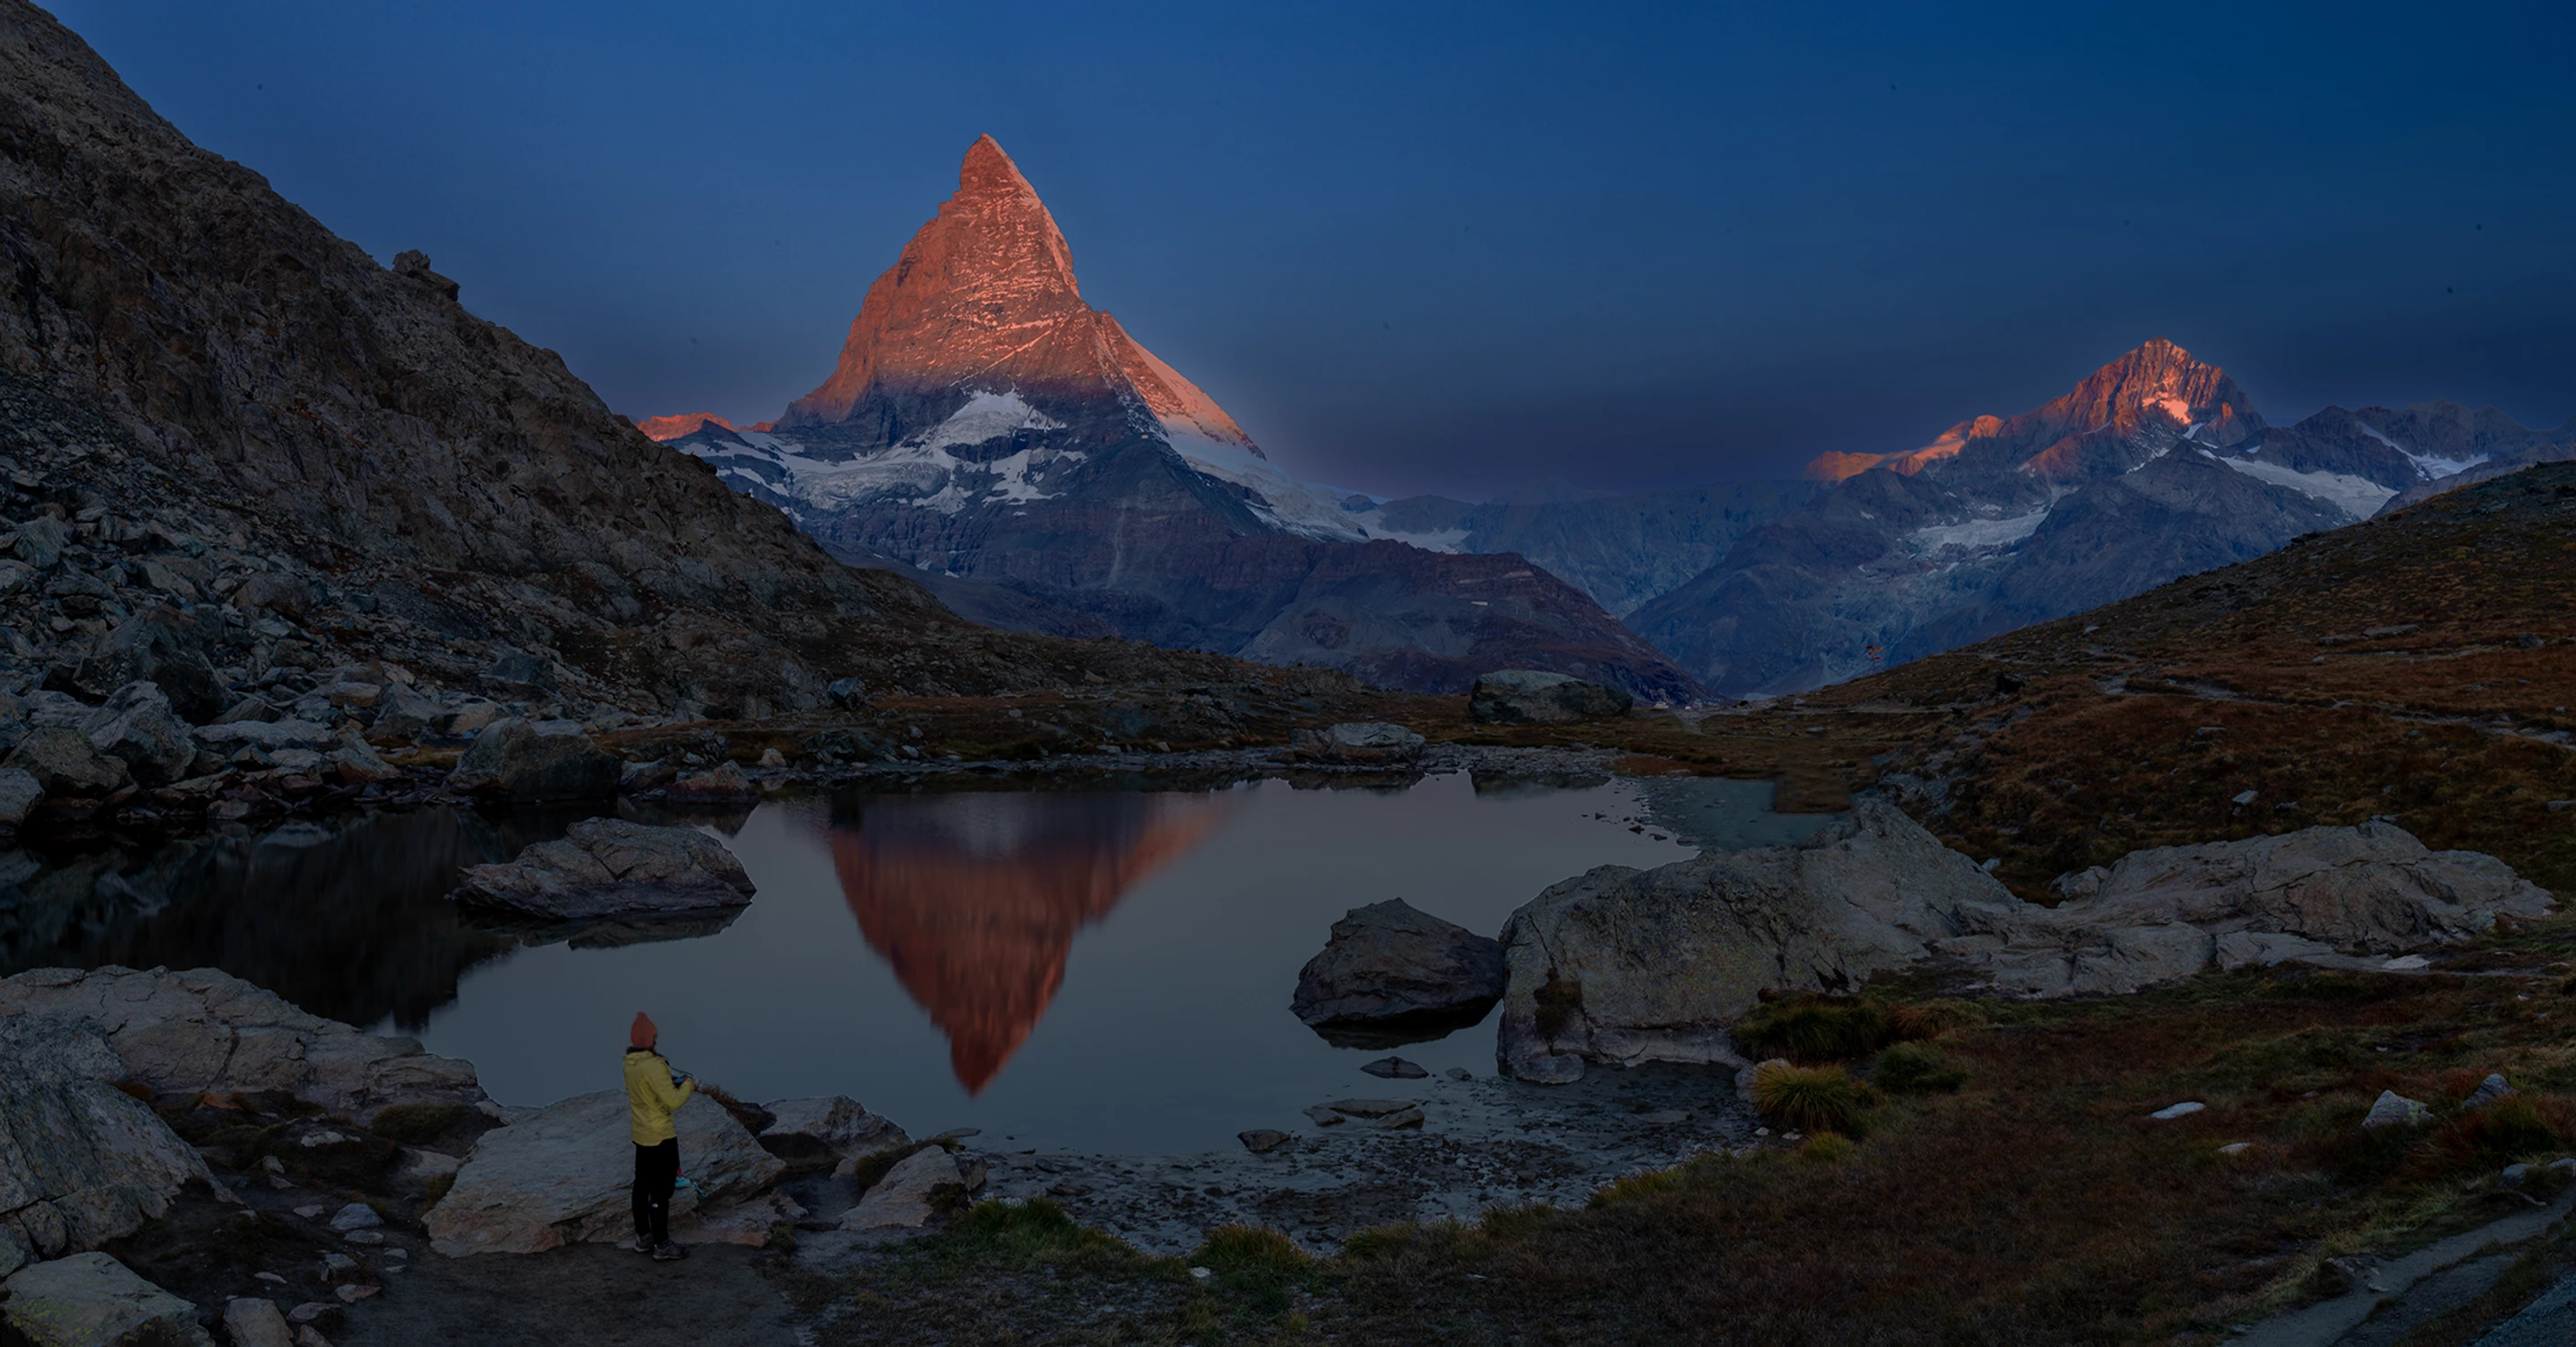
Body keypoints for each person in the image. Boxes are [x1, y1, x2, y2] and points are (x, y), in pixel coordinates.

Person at [624, 1011, 695, 1261]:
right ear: (650, 1039)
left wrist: (668, 1080)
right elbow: (673, 1101)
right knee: (661, 1190)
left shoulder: (630, 1064)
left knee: (641, 1185)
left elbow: (649, 1090)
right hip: (661, 1136)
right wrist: (688, 1083)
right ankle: (663, 1245)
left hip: (642, 1133)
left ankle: (644, 1238)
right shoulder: (655, 1066)